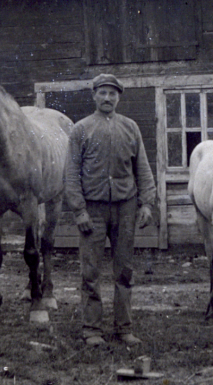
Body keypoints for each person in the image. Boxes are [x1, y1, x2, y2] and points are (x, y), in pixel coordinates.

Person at [63, 73, 157, 346]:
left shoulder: (131, 127)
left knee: (124, 271)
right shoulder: (81, 129)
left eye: (112, 93)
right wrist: (79, 211)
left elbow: (143, 169)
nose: (107, 98)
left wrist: (147, 204)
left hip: (125, 208)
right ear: (94, 96)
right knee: (90, 271)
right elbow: (71, 174)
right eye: (102, 93)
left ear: (118, 98)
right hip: (92, 210)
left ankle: (123, 328)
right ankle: (92, 329)